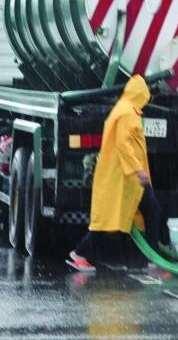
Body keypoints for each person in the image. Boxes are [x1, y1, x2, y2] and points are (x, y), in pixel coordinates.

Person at [67, 75, 162, 273]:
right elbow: (123, 144)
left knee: (125, 217)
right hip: (127, 178)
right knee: (113, 221)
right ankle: (79, 253)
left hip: (124, 178)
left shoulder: (124, 108)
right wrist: (138, 171)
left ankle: (149, 259)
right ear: (140, 94)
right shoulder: (128, 113)